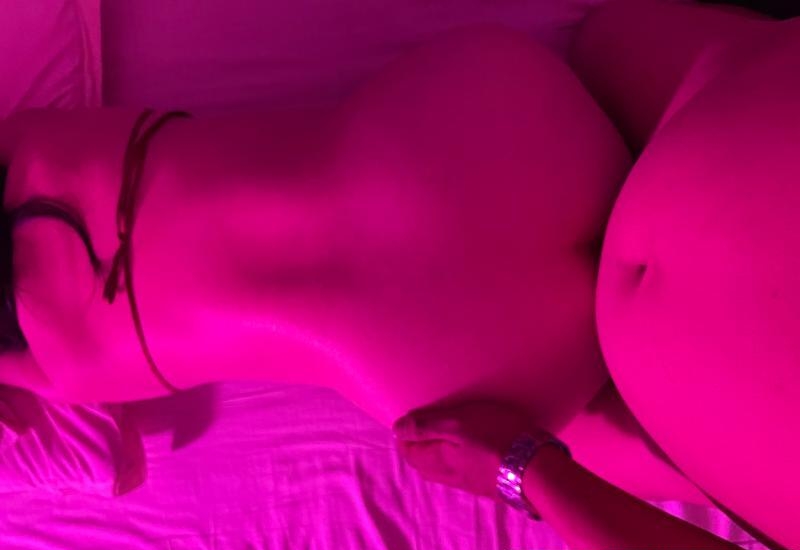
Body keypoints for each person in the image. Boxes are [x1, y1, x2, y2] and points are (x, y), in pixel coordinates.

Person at [0, 28, 702, 504]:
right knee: (616, 42)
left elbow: (110, 462)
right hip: (477, 122)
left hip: (457, 350)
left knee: (658, 438)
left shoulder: (55, 364)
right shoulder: (29, 138)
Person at [394, 2, 800, 549]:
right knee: (605, 40)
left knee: (429, 385)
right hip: (729, 83)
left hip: (663, 419)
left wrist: (527, 468)